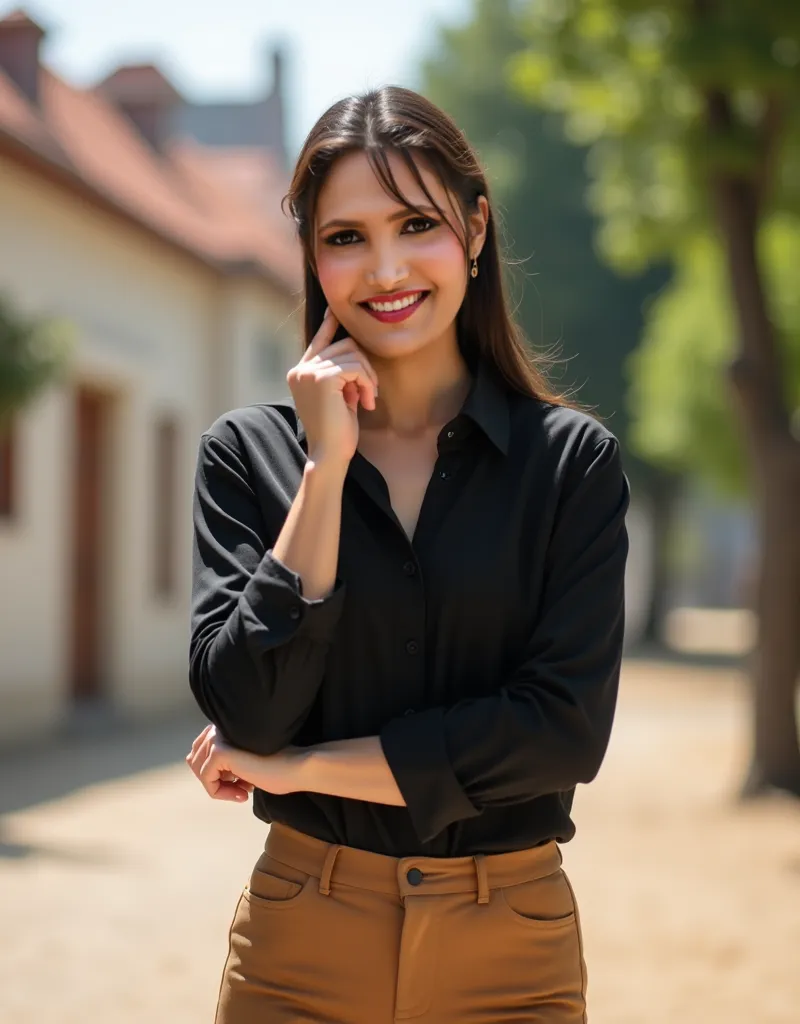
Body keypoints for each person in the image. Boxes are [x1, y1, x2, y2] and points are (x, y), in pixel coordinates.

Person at [185, 85, 629, 1024]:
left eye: (416, 223)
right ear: (313, 256)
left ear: (473, 231)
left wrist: (305, 770)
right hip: (297, 945)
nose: (384, 269)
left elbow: (559, 736)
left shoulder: (569, 467)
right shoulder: (247, 456)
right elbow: (248, 709)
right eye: (345, 236)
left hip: (510, 949)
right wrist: (325, 469)